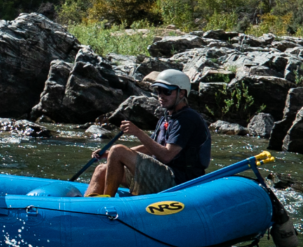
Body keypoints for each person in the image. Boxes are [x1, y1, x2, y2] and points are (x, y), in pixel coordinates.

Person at [85, 69, 211, 197]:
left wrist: (138, 132)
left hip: (178, 180)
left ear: (181, 93)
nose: (161, 95)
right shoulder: (166, 117)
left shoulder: (186, 119)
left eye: (166, 91)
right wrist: (109, 154)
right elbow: (150, 148)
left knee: (118, 150)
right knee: (102, 169)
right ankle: (86, 208)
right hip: (159, 174)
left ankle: (107, 204)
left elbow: (167, 156)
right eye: (158, 91)